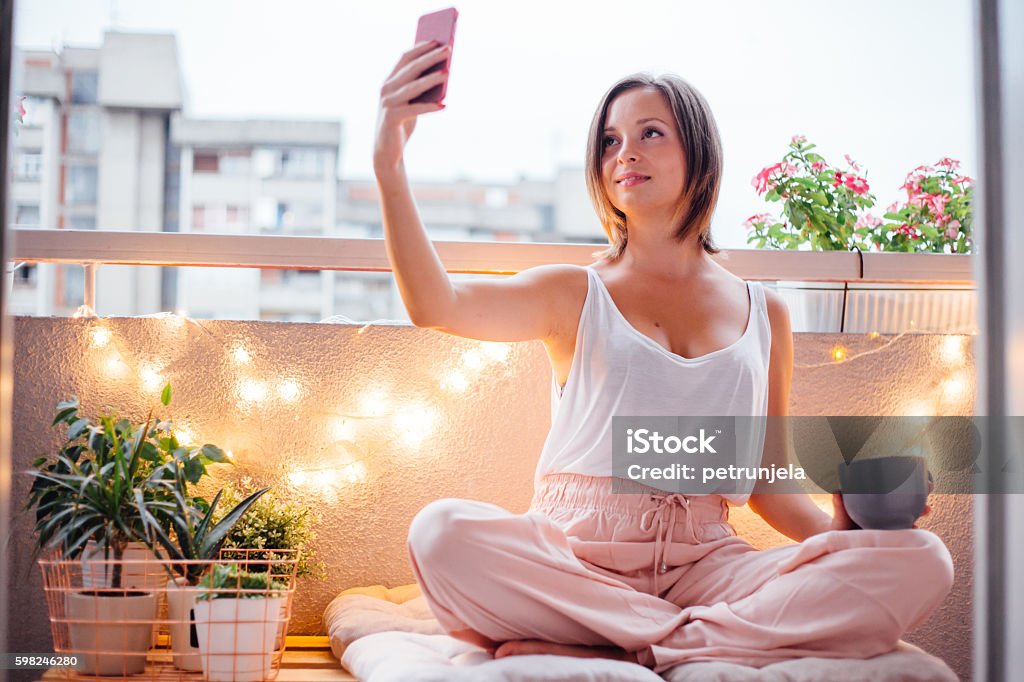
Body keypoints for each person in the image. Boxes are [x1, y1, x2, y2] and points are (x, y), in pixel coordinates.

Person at [372, 40, 954, 672]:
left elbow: (765, 484)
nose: (626, 152)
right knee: (441, 532)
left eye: (650, 133)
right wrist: (389, 165)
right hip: (577, 559)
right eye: (610, 141)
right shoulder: (572, 292)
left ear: (698, 154)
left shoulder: (767, 313)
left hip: (708, 564)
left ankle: (630, 641)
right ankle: (677, 637)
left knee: (922, 559)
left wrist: (844, 537)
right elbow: (437, 304)